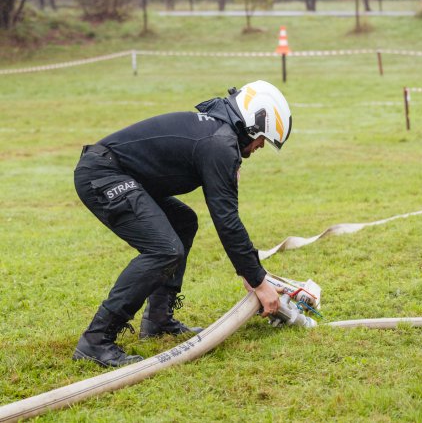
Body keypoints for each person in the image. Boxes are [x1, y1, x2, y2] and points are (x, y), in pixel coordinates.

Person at [72, 80, 292, 367]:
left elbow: (227, 218)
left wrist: (250, 272)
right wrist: (257, 280)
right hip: (103, 175)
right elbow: (226, 219)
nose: (261, 145)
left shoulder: (218, 134)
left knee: (183, 222)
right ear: (252, 123)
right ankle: (96, 339)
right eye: (263, 138)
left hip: (116, 172)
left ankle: (158, 320)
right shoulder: (219, 143)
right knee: (165, 249)